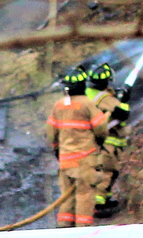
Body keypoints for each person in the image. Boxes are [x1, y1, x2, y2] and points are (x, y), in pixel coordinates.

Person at [47, 68, 110, 228]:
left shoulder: (59, 105)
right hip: (84, 159)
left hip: (65, 160)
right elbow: (101, 128)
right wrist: (100, 141)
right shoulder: (88, 104)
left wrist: (57, 150)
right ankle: (82, 234)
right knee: (84, 195)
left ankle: (63, 230)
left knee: (67, 198)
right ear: (82, 85)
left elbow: (51, 132)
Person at [85, 62, 131, 219]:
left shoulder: (88, 93)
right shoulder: (104, 97)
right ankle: (98, 206)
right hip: (108, 142)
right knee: (107, 172)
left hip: (94, 141)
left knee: (101, 171)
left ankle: (103, 201)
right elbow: (122, 113)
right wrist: (124, 98)